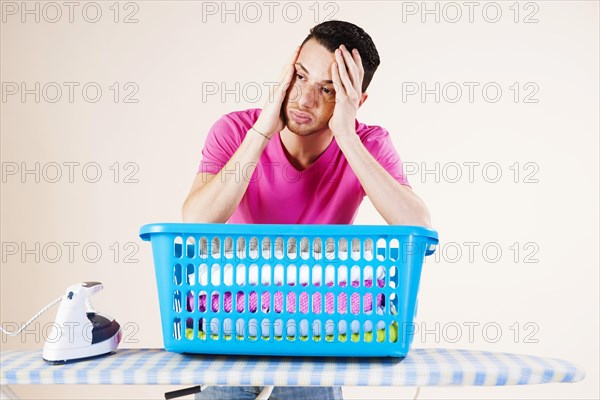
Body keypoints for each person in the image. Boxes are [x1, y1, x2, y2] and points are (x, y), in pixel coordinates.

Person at [183, 20, 431, 400]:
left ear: (355, 101)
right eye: (300, 76)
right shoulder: (235, 130)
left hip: (319, 314)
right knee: (226, 384)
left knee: (308, 378)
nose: (304, 99)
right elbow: (196, 223)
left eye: (327, 89)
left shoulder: (367, 143)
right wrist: (261, 133)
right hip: (236, 309)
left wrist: (346, 135)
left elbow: (417, 226)